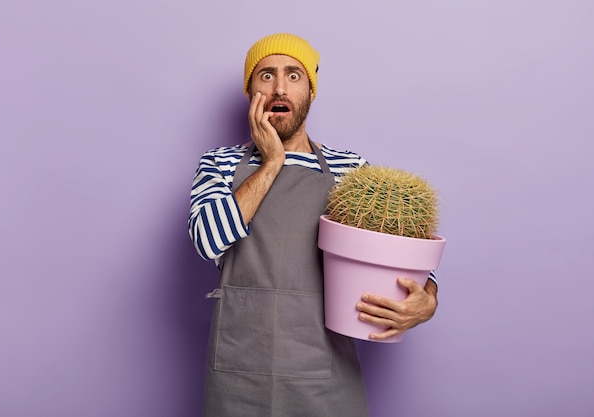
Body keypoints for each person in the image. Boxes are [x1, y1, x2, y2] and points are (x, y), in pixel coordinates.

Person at [188, 33, 439, 417]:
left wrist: (428, 298)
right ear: (250, 90)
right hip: (238, 377)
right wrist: (272, 162)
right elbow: (208, 240)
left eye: (293, 75)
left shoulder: (349, 170)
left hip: (324, 378)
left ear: (311, 90)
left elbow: (401, 251)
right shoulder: (218, 164)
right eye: (266, 75)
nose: (279, 87)